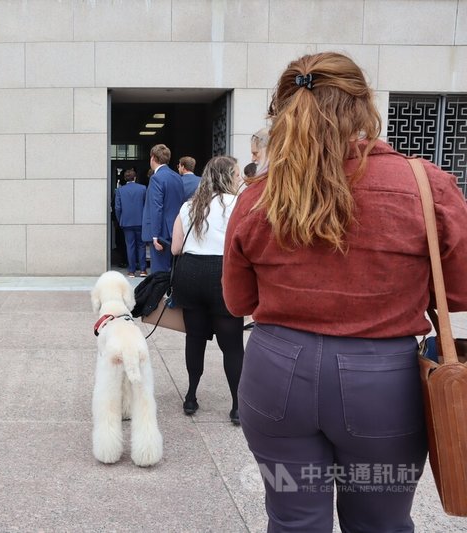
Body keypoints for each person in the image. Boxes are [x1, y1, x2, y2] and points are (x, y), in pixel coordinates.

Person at [223, 52, 467, 532]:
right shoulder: (426, 186)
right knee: (380, 522)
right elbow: (457, 292)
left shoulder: (259, 195)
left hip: (276, 375)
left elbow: (239, 302)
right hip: (383, 384)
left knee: (293, 519)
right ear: (363, 107)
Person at [170, 156, 243, 424]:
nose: (239, 179)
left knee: (195, 338)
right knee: (232, 345)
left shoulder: (189, 206)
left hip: (189, 275)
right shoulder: (237, 204)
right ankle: (237, 406)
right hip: (223, 276)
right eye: (236, 174)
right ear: (227, 177)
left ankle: (191, 396)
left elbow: (176, 248)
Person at [141, 144, 184, 273]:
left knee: (159, 272)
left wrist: (155, 235)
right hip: (176, 229)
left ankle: (161, 294)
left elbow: (156, 207)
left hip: (161, 233)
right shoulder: (177, 177)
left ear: (153, 158)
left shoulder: (156, 178)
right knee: (172, 270)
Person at [114, 169, 148, 277]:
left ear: (125, 179)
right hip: (140, 221)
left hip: (127, 222)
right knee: (141, 246)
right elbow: (146, 205)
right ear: (135, 178)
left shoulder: (120, 190)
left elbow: (117, 208)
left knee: (130, 246)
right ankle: (143, 270)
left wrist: (120, 220)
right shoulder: (143, 188)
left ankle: (131, 271)